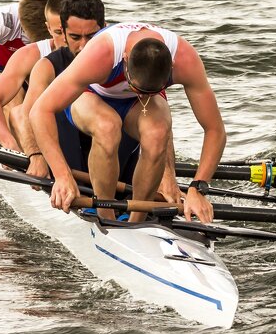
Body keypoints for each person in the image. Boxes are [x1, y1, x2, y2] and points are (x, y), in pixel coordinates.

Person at [31, 22, 223, 224]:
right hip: (90, 96)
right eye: (135, 87)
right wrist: (62, 175)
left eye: (148, 92)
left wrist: (197, 188)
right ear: (125, 59)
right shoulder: (101, 53)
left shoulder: (185, 59)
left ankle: (136, 221)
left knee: (157, 132)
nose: (140, 94)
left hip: (134, 107)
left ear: (172, 67)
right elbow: (40, 111)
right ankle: (106, 215)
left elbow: (215, 130)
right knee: (108, 127)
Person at [5, 0, 107, 178]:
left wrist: (165, 175)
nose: (84, 46)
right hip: (67, 155)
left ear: (104, 30)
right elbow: (26, 115)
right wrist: (36, 156)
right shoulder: (46, 66)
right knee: (28, 110)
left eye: (91, 37)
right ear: (64, 33)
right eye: (75, 37)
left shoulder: (120, 60)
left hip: (109, 151)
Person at [0, 0, 73, 149]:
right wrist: (9, 145)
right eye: (59, 32)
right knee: (16, 107)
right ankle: (20, 153)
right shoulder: (29, 52)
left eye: (72, 34)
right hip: (17, 86)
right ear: (48, 28)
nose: (66, 40)